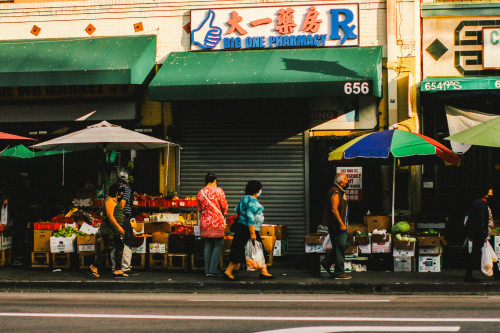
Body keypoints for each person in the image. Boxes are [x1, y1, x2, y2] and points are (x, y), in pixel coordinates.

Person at [223, 180, 274, 281]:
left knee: (244, 248)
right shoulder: (253, 202)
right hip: (249, 229)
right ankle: (228, 272)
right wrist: (253, 233)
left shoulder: (244, 199)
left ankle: (264, 271)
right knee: (248, 249)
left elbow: (237, 210)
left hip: (241, 227)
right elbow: (250, 218)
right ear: (257, 190)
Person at [88, 182, 128, 279]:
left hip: (116, 229)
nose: (121, 194)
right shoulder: (109, 200)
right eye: (120, 192)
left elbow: (115, 213)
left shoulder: (114, 201)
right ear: (116, 192)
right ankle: (94, 266)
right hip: (109, 229)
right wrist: (119, 227)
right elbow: (110, 216)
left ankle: (118, 269)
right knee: (108, 248)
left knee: (119, 247)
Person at [319, 172, 352, 279]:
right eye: (346, 179)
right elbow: (334, 209)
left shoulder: (339, 191)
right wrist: (341, 224)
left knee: (342, 245)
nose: (347, 181)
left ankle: (326, 261)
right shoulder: (335, 191)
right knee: (341, 246)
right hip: (337, 225)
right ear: (341, 181)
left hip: (338, 225)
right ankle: (339, 272)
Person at [464, 184, 499, 282]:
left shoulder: (481, 202)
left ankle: (496, 274)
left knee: (486, 252)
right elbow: (480, 220)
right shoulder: (479, 203)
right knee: (477, 253)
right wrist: (483, 234)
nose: (491, 191)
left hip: (482, 233)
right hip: (480, 234)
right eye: (489, 190)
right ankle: (468, 275)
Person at [197, 172, 228, 277]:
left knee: (208, 245)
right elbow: (224, 205)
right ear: (215, 180)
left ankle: (207, 270)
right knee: (219, 244)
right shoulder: (218, 191)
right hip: (216, 222)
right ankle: (213, 270)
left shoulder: (200, 192)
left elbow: (199, 209)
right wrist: (224, 212)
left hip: (205, 222)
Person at [111, 171, 139, 276]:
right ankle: (125, 267)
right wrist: (120, 213)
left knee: (116, 242)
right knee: (126, 242)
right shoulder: (126, 188)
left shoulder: (113, 187)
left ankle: (115, 267)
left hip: (115, 218)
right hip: (123, 218)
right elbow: (123, 202)